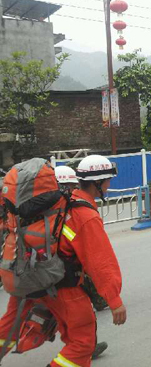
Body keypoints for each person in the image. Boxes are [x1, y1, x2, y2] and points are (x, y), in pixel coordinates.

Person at [0, 155, 127, 367]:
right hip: (60, 285)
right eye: (108, 180)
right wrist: (114, 300)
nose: (109, 184)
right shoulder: (83, 214)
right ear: (99, 184)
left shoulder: (54, 206)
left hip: (26, 276)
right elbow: (100, 262)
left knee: (8, 326)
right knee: (83, 342)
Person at [54, 165, 109, 359]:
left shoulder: (58, 208)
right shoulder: (75, 210)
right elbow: (95, 257)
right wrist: (114, 299)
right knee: (81, 318)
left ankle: (83, 345)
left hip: (47, 272)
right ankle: (85, 346)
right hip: (64, 274)